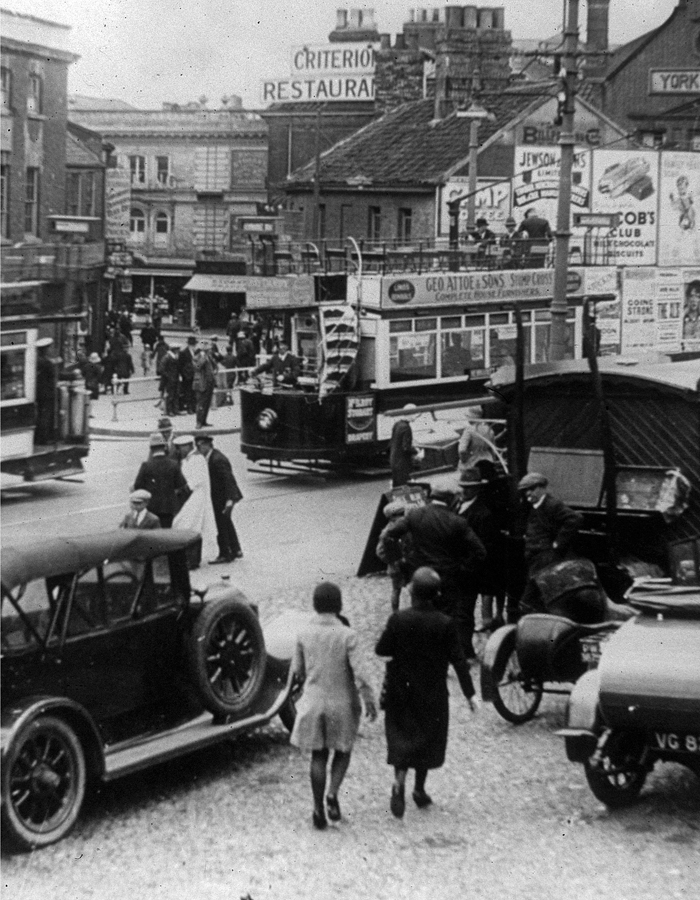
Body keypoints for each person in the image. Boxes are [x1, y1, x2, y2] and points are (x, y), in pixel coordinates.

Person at [375, 567, 477, 818]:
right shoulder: (445, 623)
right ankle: (419, 790)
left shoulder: (398, 619)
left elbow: (381, 649)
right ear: (436, 594)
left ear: (412, 593)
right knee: (427, 739)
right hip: (432, 692)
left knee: (402, 736)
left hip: (401, 689)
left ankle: (399, 780)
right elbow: (459, 661)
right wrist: (470, 694)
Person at [291, 582, 377, 830]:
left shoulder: (303, 634)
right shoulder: (348, 635)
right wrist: (369, 700)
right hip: (342, 702)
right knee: (342, 749)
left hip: (314, 702)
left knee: (318, 755)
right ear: (339, 605)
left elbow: (297, 671)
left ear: (315, 605)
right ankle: (332, 793)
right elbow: (360, 673)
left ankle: (317, 808)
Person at [382, 478, 486, 660]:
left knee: (423, 615)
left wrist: (398, 562)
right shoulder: (457, 521)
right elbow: (480, 552)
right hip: (448, 578)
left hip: (421, 576)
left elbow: (389, 535)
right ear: (451, 500)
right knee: (450, 617)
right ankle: (454, 656)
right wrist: (462, 568)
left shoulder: (414, 515)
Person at [518, 472, 584, 614]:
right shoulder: (533, 506)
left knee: (529, 601)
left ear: (542, 488)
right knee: (538, 598)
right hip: (535, 558)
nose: (529, 493)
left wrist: (558, 543)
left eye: (532, 489)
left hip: (545, 559)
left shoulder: (551, 505)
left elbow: (575, 519)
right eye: (525, 490)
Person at [454, 468, 505, 634]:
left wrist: (466, 566)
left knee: (466, 610)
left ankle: (469, 646)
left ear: (477, 489)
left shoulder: (483, 514)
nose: (463, 490)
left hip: (471, 569)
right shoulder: (457, 506)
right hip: (458, 566)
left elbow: (485, 546)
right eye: (462, 486)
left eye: (468, 488)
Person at [194, 433, 243, 563]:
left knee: (220, 525)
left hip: (222, 498)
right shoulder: (211, 457)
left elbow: (228, 480)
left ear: (207, 445)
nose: (198, 450)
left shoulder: (217, 459)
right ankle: (235, 549)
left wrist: (230, 500)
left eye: (199, 446)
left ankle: (225, 554)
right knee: (226, 522)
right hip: (220, 498)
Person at [172, 435, 217, 568]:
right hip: (191, 497)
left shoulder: (197, 459)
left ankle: (192, 560)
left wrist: (181, 490)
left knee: (191, 527)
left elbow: (196, 481)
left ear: (188, 446)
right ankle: (190, 558)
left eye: (180, 448)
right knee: (187, 525)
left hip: (197, 497)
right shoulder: (187, 459)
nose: (179, 451)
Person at [133, 432, 190, 527]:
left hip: (151, 507)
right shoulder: (173, 464)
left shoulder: (146, 466)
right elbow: (181, 484)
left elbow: (137, 486)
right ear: (164, 447)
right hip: (169, 507)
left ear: (151, 449)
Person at [376, 501, 410, 612]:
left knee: (408, 589)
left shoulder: (403, 528)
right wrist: (391, 561)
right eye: (401, 514)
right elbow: (380, 551)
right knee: (396, 590)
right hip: (396, 565)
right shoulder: (388, 532)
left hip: (405, 563)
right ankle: (395, 612)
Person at [389, 404, 422, 488]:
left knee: (396, 487)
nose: (416, 417)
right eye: (415, 415)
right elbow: (406, 447)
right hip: (403, 463)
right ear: (411, 414)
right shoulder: (406, 427)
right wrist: (417, 451)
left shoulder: (397, 424)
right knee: (404, 487)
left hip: (394, 460)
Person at [35, 337, 58, 444]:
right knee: (46, 415)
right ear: (46, 349)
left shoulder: (37, 360)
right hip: (47, 392)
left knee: (41, 413)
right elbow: (54, 376)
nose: (51, 350)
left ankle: (39, 437)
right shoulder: (46, 362)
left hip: (39, 392)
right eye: (50, 348)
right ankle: (44, 438)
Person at [193, 342, 216, 428]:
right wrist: (203, 357)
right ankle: (199, 422)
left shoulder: (208, 357)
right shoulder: (197, 357)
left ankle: (204, 421)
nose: (210, 350)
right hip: (201, 383)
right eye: (208, 349)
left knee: (207, 403)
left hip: (209, 383)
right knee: (200, 404)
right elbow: (197, 367)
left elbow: (214, 366)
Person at [178, 335, 197, 414]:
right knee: (188, 392)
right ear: (189, 344)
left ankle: (193, 407)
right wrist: (182, 375)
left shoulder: (195, 352)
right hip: (187, 376)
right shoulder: (184, 352)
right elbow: (180, 365)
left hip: (194, 375)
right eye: (193, 344)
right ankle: (189, 408)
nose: (194, 346)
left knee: (194, 392)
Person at [160, 345, 180, 416]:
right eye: (177, 349)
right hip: (169, 380)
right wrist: (168, 376)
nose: (178, 351)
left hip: (176, 378)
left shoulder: (175, 357)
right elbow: (162, 369)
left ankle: (175, 410)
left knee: (176, 394)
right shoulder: (167, 357)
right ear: (173, 350)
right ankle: (170, 410)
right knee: (170, 395)